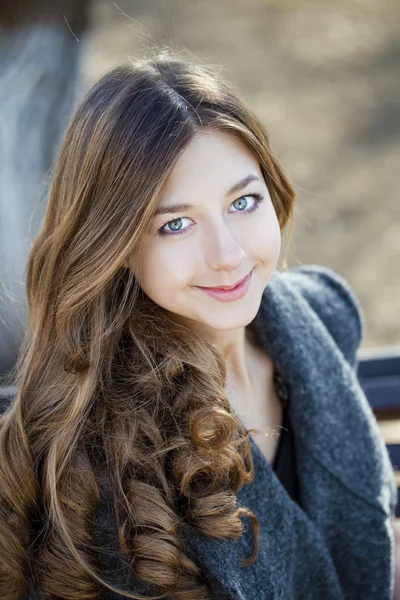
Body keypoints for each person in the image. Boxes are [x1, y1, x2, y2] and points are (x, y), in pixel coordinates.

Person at [0, 50, 397, 600]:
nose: (228, 254)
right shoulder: (102, 461)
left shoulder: (322, 320)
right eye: (177, 224)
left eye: (243, 201)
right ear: (114, 247)